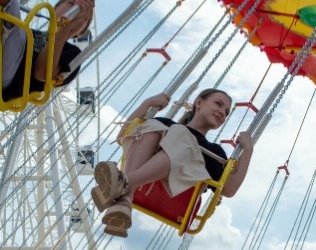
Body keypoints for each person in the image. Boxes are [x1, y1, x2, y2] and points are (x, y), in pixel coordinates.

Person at [92, 90, 254, 237]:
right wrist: (147, 104)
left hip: (178, 196)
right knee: (154, 125)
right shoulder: (165, 124)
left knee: (181, 134)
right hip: (146, 186)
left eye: (226, 112)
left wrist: (248, 150)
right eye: (218, 104)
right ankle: (124, 201)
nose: (222, 112)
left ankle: (124, 183)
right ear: (198, 103)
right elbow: (124, 137)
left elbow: (228, 189)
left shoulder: (214, 152)